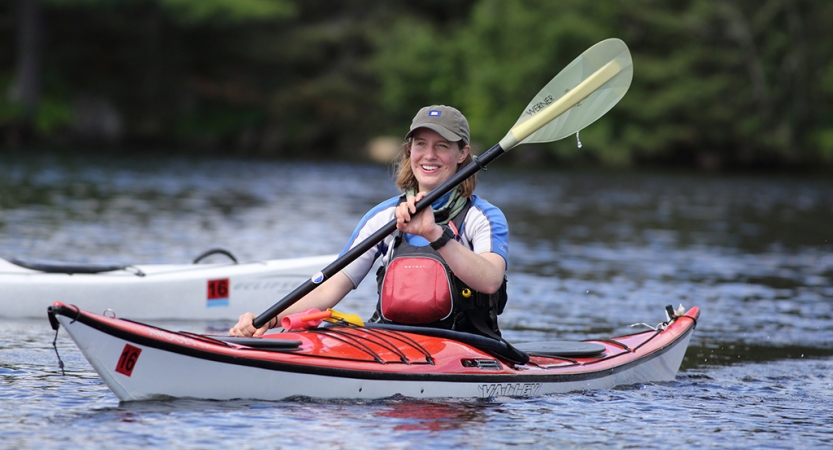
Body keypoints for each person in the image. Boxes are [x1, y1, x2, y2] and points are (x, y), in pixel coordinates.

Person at [230, 105, 509, 338]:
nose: (429, 155)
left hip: (468, 348)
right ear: (409, 151)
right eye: (420, 144)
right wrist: (272, 319)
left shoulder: (481, 217)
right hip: (394, 344)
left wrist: (435, 234)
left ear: (463, 154)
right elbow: (330, 287)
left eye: (442, 146)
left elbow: (491, 280)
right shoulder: (384, 217)